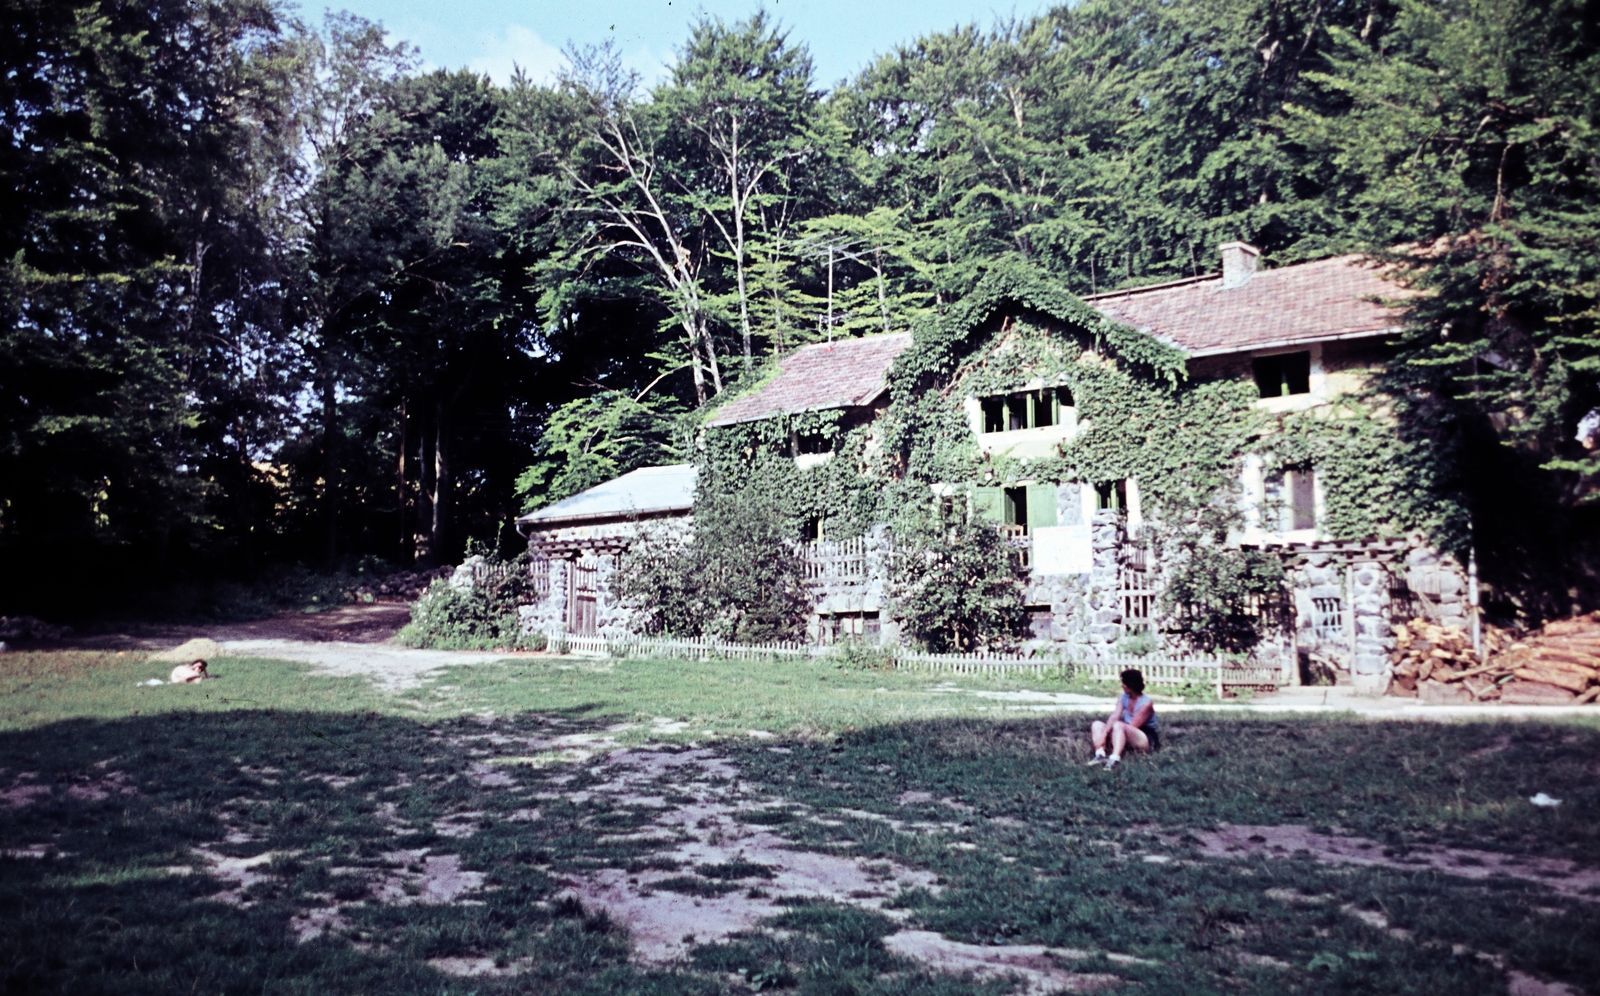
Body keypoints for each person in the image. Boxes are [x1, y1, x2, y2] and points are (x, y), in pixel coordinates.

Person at [1087, 668, 1158, 769]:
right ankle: (1100, 754)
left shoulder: (1147, 703)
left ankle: (1114, 758)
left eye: (1124, 683)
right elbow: (1115, 715)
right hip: (1124, 730)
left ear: (1131, 684)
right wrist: (1104, 734)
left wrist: (1110, 736)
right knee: (1097, 724)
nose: (1122, 686)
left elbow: (1133, 726)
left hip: (1143, 736)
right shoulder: (1123, 697)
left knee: (1118, 725)